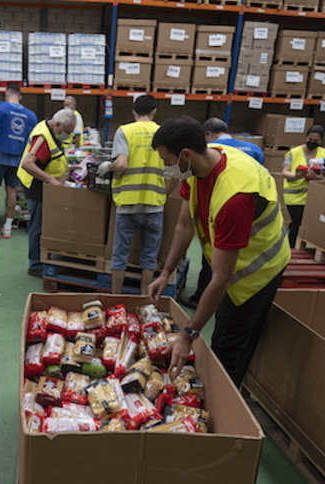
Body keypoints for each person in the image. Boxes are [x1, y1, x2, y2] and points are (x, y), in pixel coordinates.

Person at [148, 115, 290, 387]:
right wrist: (166, 272)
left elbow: (222, 279)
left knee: (231, 339)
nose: (166, 167)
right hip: (228, 258)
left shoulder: (234, 197)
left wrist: (188, 335)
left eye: (167, 160)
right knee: (222, 325)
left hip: (258, 270)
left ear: (185, 154)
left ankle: (229, 407)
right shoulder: (198, 166)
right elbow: (184, 223)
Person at [182, 118, 267, 309]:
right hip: (252, 226)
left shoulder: (207, 150)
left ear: (209, 135)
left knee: (213, 268)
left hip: (223, 213)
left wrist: (191, 331)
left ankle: (201, 299)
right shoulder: (252, 149)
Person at [96, 95, 165, 295]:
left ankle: (115, 299)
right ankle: (145, 301)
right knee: (149, 259)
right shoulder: (162, 132)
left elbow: (121, 164)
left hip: (128, 204)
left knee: (120, 257)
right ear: (154, 112)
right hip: (154, 204)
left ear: (133, 111)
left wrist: (107, 166)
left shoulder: (125, 131)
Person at [17, 108, 77, 277]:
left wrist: (69, 169)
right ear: (57, 125)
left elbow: (52, 158)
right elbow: (28, 164)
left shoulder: (52, 132)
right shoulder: (43, 138)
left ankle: (42, 259)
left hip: (46, 185)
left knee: (43, 224)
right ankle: (35, 265)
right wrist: (50, 179)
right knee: (38, 225)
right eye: (67, 132)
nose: (68, 135)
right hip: (36, 186)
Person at [0, 83, 38, 239]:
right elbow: (33, 138)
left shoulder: (1, 109)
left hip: (0, 155)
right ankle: (8, 228)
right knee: (12, 190)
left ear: (6, 94)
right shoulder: (31, 115)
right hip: (18, 158)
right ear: (20, 96)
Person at [282, 124, 325, 248]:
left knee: (304, 224)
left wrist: (322, 179)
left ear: (321, 141)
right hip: (294, 197)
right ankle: (291, 248)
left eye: (315, 141)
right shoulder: (294, 152)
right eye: (310, 140)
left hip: (315, 197)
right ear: (306, 137)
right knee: (298, 222)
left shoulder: (324, 154)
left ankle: (295, 247)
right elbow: (285, 171)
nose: (312, 142)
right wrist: (297, 175)